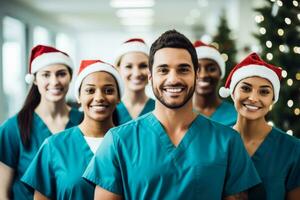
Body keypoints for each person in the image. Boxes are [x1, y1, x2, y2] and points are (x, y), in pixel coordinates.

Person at [83, 30, 262, 200]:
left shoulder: (227, 141)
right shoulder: (118, 141)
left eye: (183, 69)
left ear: (196, 74)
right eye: (163, 70)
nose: (173, 79)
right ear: (150, 76)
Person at [21, 60, 124, 200]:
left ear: (118, 97)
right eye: (90, 90)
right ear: (79, 96)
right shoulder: (54, 147)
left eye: (109, 90)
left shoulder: (131, 144)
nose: (99, 97)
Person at [0, 45, 83, 200]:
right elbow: (2, 192)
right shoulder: (12, 129)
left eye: (61, 74)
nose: (54, 81)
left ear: (71, 77)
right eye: (46, 75)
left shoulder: (83, 122)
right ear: (35, 80)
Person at [219, 52, 300, 200]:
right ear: (233, 92)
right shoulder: (216, 144)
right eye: (246, 88)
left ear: (272, 99)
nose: (254, 98)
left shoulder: (293, 150)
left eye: (264, 92)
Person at [193, 40, 237, 126]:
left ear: (220, 73)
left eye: (211, 69)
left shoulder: (236, 116)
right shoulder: (179, 114)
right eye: (196, 69)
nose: (203, 75)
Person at [114, 38, 155, 125]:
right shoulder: (110, 110)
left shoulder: (159, 109)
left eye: (143, 66)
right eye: (129, 66)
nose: (136, 73)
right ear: (118, 70)